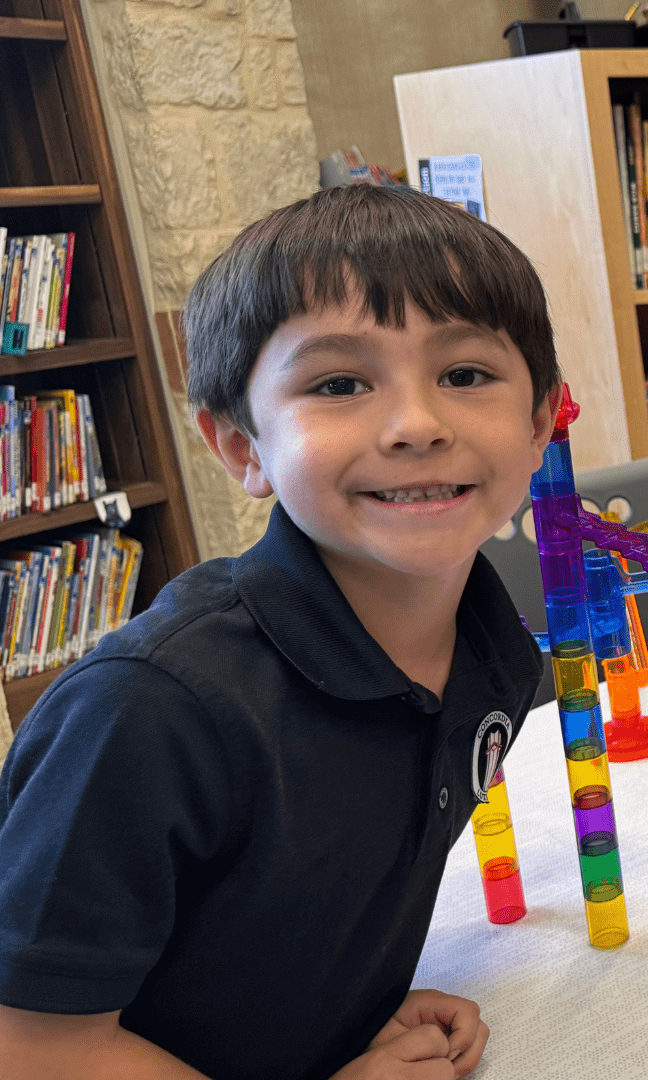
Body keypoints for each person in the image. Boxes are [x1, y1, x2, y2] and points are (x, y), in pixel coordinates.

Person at [0, 185, 560, 1080]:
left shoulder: (496, 654)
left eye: (465, 374)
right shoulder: (150, 710)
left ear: (539, 423)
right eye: (339, 384)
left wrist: (344, 1003)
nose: (417, 425)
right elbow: (30, 1048)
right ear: (241, 447)